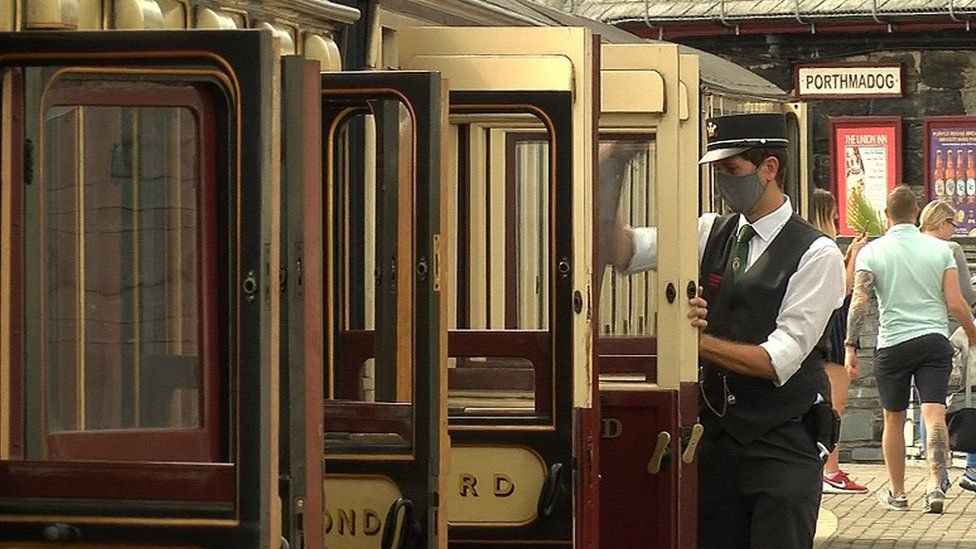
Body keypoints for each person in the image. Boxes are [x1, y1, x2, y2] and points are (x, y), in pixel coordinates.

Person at [610, 113, 846, 549]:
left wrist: (695, 341)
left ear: (770, 168)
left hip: (782, 442)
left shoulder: (817, 253)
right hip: (715, 442)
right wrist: (612, 166)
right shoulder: (707, 231)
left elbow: (779, 360)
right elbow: (620, 250)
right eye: (717, 170)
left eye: (731, 170)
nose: (722, 181)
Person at [845, 186, 976, 514]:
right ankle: (935, 486)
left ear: (887, 215)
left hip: (893, 344)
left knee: (894, 419)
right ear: (917, 212)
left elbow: (859, 302)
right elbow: (956, 301)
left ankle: (898, 492)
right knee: (934, 413)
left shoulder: (872, 252)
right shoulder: (940, 250)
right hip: (933, 340)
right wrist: (973, 333)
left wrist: (849, 345)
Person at [809, 188, 869, 494]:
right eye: (833, 211)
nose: (837, 216)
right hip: (832, 331)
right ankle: (830, 470)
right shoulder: (825, 247)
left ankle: (827, 468)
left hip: (821, 330)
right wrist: (854, 258)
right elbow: (841, 290)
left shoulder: (811, 247)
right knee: (836, 403)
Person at [918, 199, 976, 492]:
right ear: (942, 223)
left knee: (927, 404)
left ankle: (936, 473)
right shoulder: (949, 250)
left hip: (914, 334)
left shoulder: (911, 247)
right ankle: (973, 467)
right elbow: (964, 294)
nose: (955, 229)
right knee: (965, 398)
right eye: (953, 223)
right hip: (951, 335)